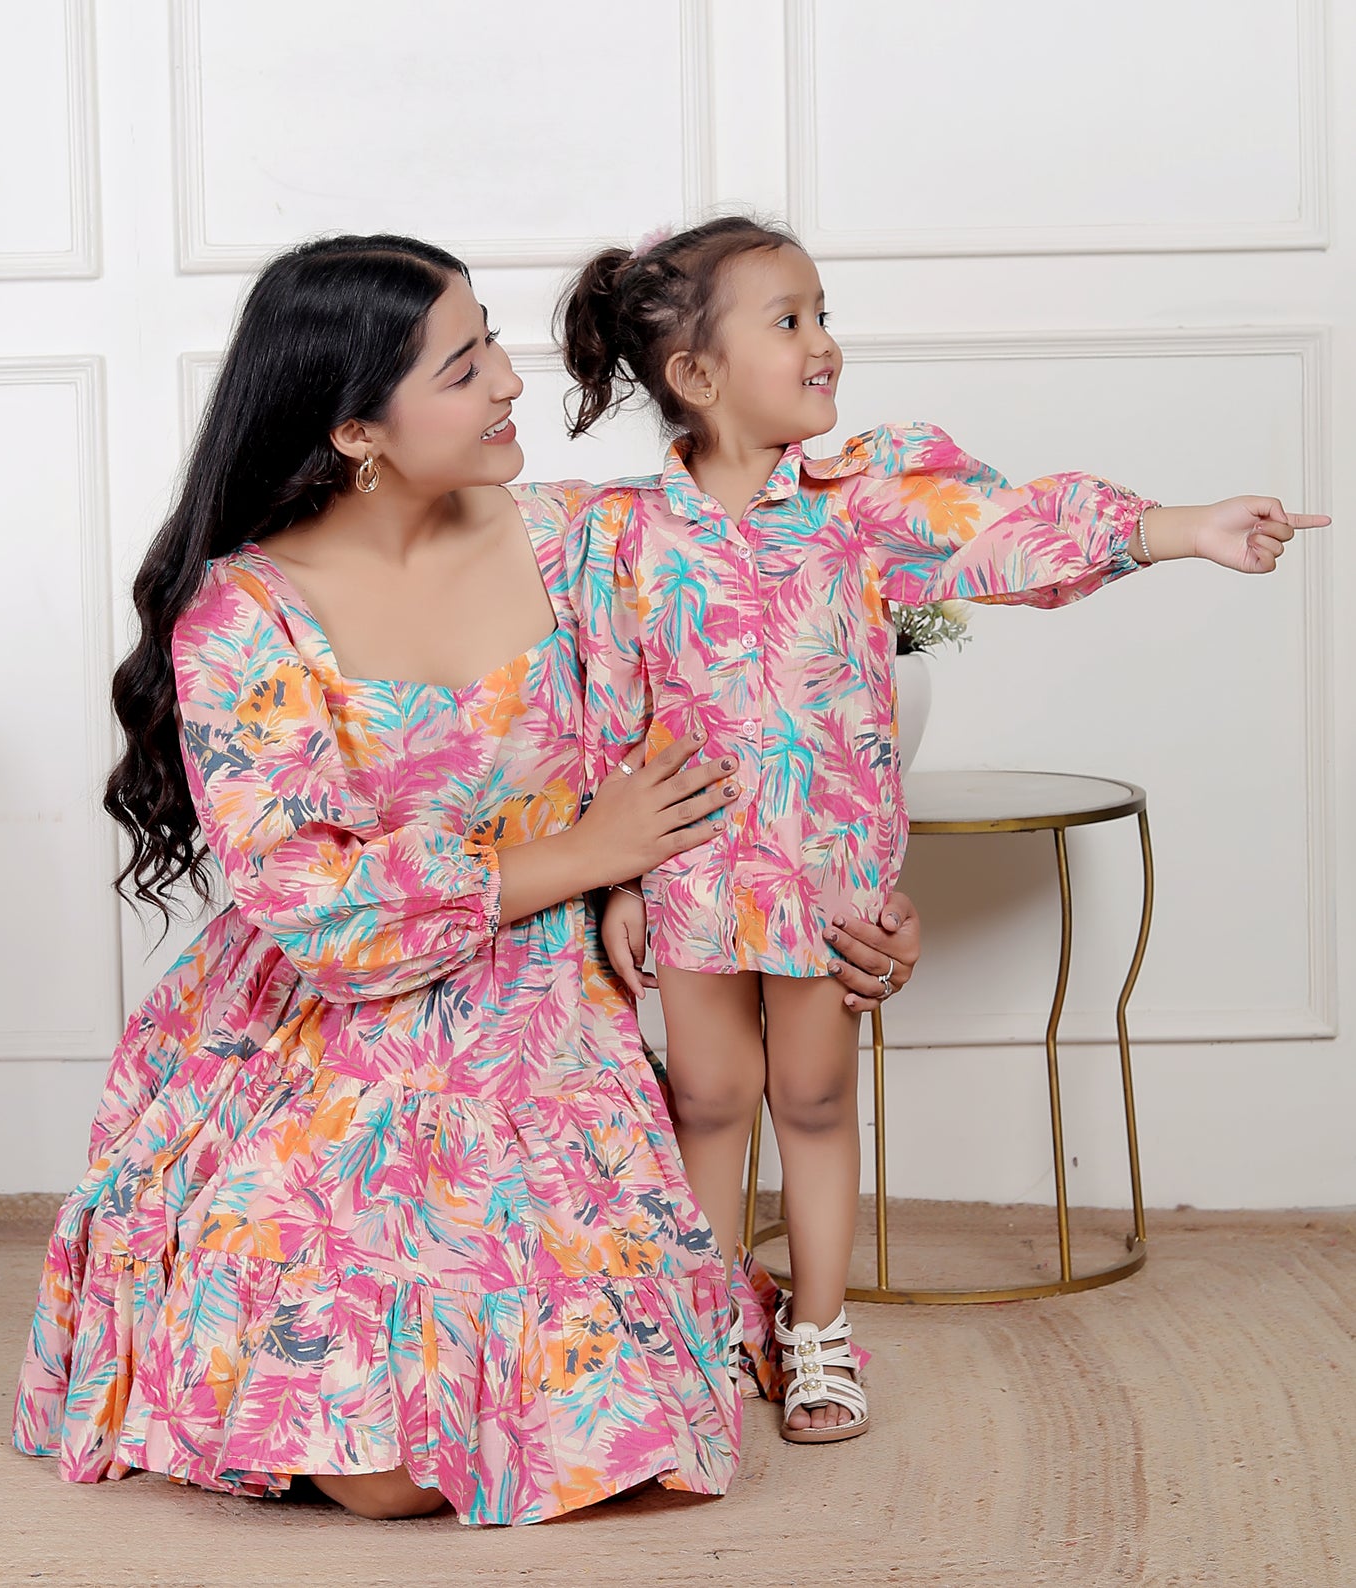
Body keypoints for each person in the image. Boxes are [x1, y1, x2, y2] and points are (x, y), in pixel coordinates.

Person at [11, 233, 923, 1523]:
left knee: (567, 1441)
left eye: (491, 337)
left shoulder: (575, 542)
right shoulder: (245, 613)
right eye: (461, 366)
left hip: (542, 1008)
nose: (509, 379)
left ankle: (715, 1308)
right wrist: (585, 854)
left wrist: (857, 898)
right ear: (355, 432)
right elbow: (317, 907)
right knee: (372, 1460)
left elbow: (766, 710)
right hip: (335, 1028)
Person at [558, 214, 1329, 1445]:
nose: (826, 345)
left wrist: (1180, 527)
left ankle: (816, 1335)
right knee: (706, 1098)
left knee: (810, 1098)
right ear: (695, 377)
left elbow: (1008, 530)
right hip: (689, 867)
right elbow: (607, 711)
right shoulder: (622, 536)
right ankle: (702, 1329)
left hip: (826, 873)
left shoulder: (860, 499)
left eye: (824, 314)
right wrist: (617, 882)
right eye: (791, 321)